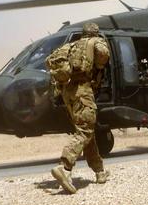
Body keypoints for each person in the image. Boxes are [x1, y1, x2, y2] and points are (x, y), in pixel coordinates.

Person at [46, 22, 111, 194]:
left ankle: (99, 171)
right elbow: (103, 55)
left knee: (86, 129)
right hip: (83, 89)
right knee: (85, 131)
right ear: (95, 33)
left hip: (68, 92)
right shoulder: (94, 43)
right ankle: (65, 167)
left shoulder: (70, 45)